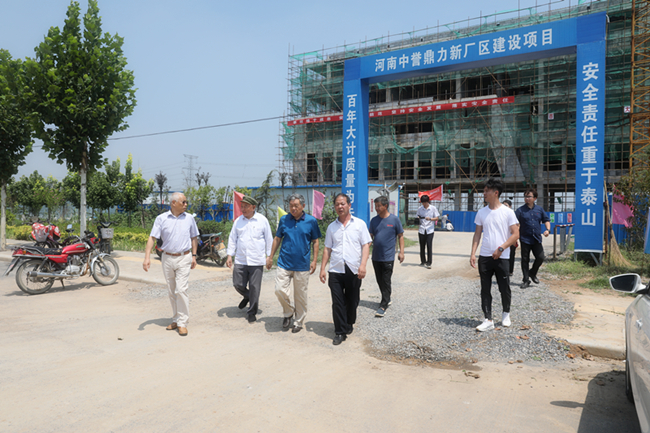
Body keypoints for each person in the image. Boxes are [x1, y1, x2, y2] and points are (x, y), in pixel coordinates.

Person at [143, 192, 199, 337]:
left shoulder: (189, 218)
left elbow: (194, 237)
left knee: (181, 290)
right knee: (171, 290)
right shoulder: (161, 219)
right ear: (173, 203)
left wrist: (194, 256)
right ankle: (176, 319)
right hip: (167, 258)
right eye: (184, 202)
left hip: (184, 257)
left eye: (186, 202)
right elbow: (152, 237)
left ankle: (182, 323)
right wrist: (147, 257)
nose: (186, 204)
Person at [319, 193, 372, 345]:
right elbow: (327, 249)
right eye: (337, 204)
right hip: (335, 269)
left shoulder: (359, 224)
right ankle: (340, 331)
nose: (340, 207)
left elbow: (365, 245)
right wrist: (322, 268)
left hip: (354, 268)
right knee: (337, 301)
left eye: (342, 204)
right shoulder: (331, 227)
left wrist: (363, 265)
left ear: (349, 205)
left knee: (352, 299)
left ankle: (349, 321)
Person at [266, 194, 321, 333]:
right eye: (291, 206)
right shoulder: (284, 219)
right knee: (279, 290)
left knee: (300, 295)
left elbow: (315, 241)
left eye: (296, 205)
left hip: (302, 264)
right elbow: (277, 238)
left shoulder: (311, 221)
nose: (293, 208)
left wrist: (314, 261)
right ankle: (288, 313)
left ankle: (298, 321)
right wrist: (270, 256)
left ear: (303, 206)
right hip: (284, 262)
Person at [470, 179, 519, 332]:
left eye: (486, 191)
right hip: (485, 256)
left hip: (502, 256)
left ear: (495, 193)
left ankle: (506, 313)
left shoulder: (508, 212)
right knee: (485, 288)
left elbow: (516, 234)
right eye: (483, 191)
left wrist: (501, 248)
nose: (483, 193)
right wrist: (473, 253)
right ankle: (488, 319)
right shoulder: (481, 212)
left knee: (504, 287)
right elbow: (477, 234)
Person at [226, 195, 273, 323]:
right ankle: (248, 296)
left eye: (246, 206)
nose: (243, 209)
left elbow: (269, 239)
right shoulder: (238, 221)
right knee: (237, 284)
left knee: (254, 287)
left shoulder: (262, 220)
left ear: (253, 207)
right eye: (242, 206)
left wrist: (269, 257)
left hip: (257, 260)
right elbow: (232, 239)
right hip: (241, 259)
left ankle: (252, 312)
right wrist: (230, 255)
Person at [369, 196, 404, 317]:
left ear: (385, 206)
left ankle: (383, 305)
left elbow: (400, 236)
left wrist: (401, 252)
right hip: (376, 256)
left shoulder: (394, 220)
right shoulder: (374, 221)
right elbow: (370, 237)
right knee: (379, 280)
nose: (376, 208)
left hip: (388, 256)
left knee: (386, 280)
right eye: (375, 206)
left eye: (378, 206)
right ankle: (387, 298)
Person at [516, 188, 551, 289]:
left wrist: (547, 230)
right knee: (525, 260)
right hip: (525, 238)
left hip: (536, 238)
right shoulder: (520, 210)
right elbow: (516, 224)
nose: (527, 198)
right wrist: (515, 237)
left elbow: (546, 220)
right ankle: (526, 280)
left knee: (540, 257)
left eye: (529, 196)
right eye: (525, 197)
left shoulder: (539, 209)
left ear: (535, 198)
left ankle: (532, 273)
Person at [416, 194, 439, 269]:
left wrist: (430, 219)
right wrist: (418, 218)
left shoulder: (433, 208)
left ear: (428, 202)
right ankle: (423, 261)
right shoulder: (420, 209)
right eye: (422, 202)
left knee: (429, 246)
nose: (424, 204)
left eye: (425, 202)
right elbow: (418, 215)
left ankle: (429, 262)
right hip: (422, 229)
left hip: (430, 230)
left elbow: (437, 218)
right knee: (422, 246)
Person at [502, 199, 518, 277]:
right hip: (502, 238)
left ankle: (510, 271)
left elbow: (518, 225)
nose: (504, 207)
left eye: (506, 205)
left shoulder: (512, 214)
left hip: (511, 239)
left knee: (511, 255)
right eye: (503, 205)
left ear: (510, 206)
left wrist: (515, 237)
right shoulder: (500, 214)